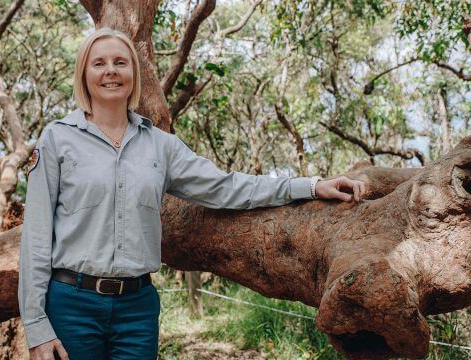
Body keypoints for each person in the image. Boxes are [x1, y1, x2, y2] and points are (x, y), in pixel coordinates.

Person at [19, 28, 364, 360]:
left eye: (120, 62)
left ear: (134, 73)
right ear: (84, 73)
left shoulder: (160, 146)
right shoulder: (57, 139)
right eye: (99, 63)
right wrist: (36, 326)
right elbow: (35, 238)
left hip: (136, 311)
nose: (111, 71)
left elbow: (226, 186)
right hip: (71, 305)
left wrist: (310, 185)